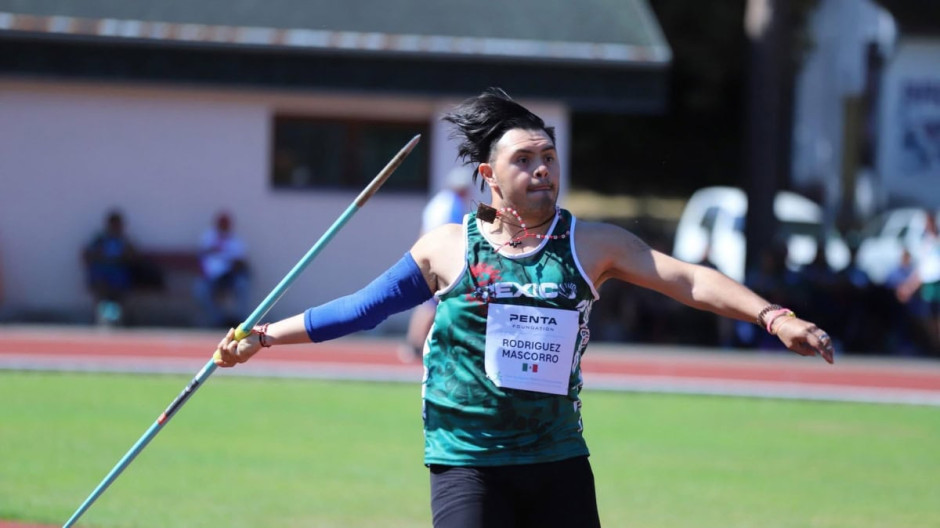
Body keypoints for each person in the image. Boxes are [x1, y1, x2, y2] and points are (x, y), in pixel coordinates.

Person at [213, 88, 835, 528]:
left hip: (558, 457)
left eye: (549, 158)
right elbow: (360, 310)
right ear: (489, 174)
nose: (542, 170)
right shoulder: (448, 248)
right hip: (468, 461)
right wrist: (263, 336)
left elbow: (688, 280)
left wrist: (774, 317)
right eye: (524, 160)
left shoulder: (591, 244)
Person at [400, 166, 473, 362]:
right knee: (433, 304)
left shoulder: (439, 201)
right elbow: (453, 234)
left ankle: (414, 343)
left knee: (426, 303)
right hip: (439, 258)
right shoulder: (453, 204)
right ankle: (417, 344)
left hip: (426, 253)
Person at [193, 211, 251, 328]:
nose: (223, 226)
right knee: (200, 290)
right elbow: (201, 258)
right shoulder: (208, 238)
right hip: (211, 278)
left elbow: (241, 263)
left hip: (230, 278)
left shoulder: (235, 241)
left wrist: (230, 266)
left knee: (243, 285)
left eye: (225, 224)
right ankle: (217, 321)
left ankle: (241, 321)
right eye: (221, 224)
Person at [82, 209, 139, 325]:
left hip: (120, 276)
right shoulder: (100, 240)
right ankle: (105, 318)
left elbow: (133, 258)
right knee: (102, 289)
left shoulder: (124, 241)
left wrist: (125, 255)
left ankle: (117, 319)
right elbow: (88, 254)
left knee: (119, 291)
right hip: (102, 275)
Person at [896, 211, 940, 353]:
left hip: (937, 284)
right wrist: (908, 287)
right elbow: (922, 269)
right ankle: (934, 346)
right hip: (928, 286)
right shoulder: (925, 244)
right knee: (927, 318)